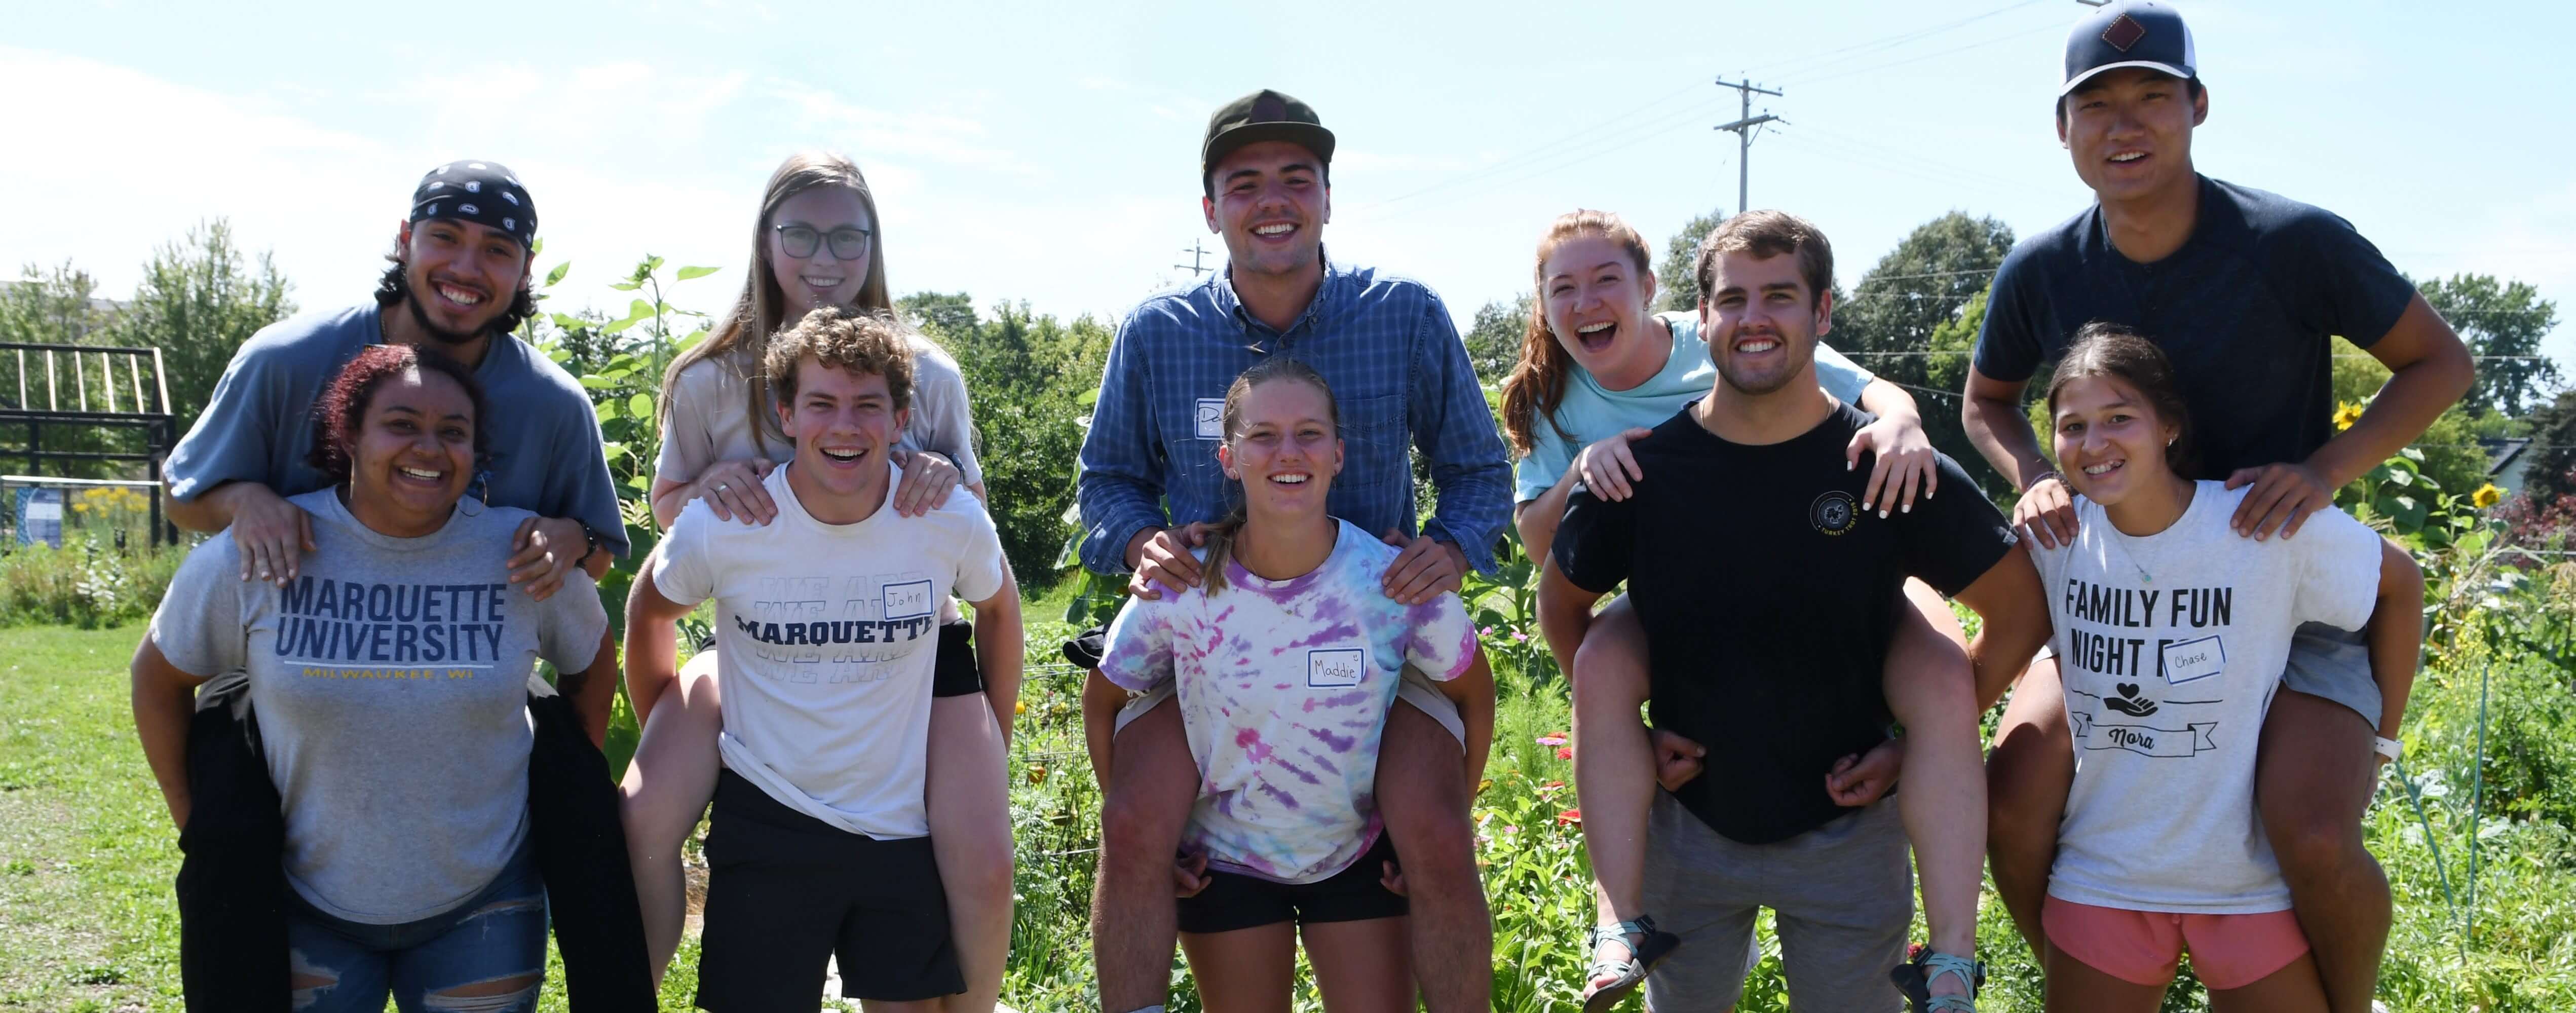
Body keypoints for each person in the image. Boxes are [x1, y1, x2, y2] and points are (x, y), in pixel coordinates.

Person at [1961, 5, 2474, 1008]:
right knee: (2013, 805)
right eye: (2096, 106)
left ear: (2197, 106)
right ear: (2061, 129)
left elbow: (2440, 363)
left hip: (2284, 582)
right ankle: (2095, 963)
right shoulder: (2043, 267)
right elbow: (1987, 402)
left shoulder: (2294, 243)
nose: (2125, 124)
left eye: (2152, 96)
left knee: (2312, 834)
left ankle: (2346, 1001)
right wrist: (2032, 473)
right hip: (2122, 602)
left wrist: (2325, 470)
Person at [147, 160, 643, 1008]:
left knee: (569, 850)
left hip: (473, 702)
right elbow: (184, 494)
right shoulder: (290, 358)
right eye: (445, 238)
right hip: (291, 684)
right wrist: (247, 500)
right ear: (405, 240)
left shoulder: (552, 402)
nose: (466, 268)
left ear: (525, 269)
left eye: (497, 250)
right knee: (236, 896)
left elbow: (590, 569)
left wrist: (573, 537)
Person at [1537, 210, 2051, 1012]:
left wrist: (1913, 745)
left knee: (1941, 670)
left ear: (1823, 312)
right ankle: (1618, 927)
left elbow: (2018, 608)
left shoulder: (1890, 467)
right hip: (1690, 831)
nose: (1754, 318)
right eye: (1732, 299)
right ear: (1701, 317)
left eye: (1779, 296)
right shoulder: (1641, 474)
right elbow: (1562, 606)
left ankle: (1954, 956)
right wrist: (1631, 739)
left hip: (1850, 838)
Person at [1074, 89, 1512, 1013]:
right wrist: (1144, 545)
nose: (1272, 201)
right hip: (1207, 641)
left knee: (1435, 832)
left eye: (1296, 179)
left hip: (1377, 636)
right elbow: (1106, 482)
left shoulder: (1403, 314)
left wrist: (1448, 550)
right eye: (1244, 184)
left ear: (1327, 198)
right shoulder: (1159, 333)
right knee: (1138, 820)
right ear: (1210, 209)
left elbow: (1479, 471)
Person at [620, 151, 1014, 1010]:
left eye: (848, 236)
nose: (824, 257)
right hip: (765, 640)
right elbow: (668, 507)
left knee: (985, 862)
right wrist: (707, 487)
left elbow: (970, 516)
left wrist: (939, 476)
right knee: (641, 820)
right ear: (765, 241)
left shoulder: (926, 372)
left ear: (876, 243)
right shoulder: (708, 377)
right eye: (800, 234)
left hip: (912, 645)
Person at [2000, 324, 2423, 1010]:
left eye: (2119, 418)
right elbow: (1991, 641)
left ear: (2170, 426)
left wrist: (2383, 743)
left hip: (2248, 891)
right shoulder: (2054, 539)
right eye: (2072, 427)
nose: (2094, 443)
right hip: (2104, 883)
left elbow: (2401, 586)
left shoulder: (2257, 527)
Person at [1088, 357, 1495, 1012]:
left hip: (1354, 854)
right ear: (1228, 458)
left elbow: (1473, 691)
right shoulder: (1183, 586)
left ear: (1338, 455)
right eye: (1263, 436)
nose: (1288, 452)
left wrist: (1451, 815)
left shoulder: (1393, 585)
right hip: (1227, 860)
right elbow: (1105, 696)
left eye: (1309, 434)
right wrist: (1150, 842)